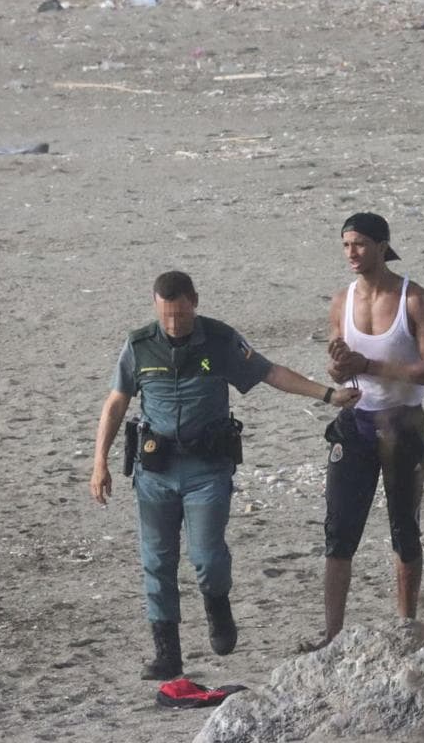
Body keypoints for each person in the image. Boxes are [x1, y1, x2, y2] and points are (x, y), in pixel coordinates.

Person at [90, 270, 361, 680]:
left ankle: (218, 606)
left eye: (181, 315)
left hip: (206, 470)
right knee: (157, 562)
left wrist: (327, 395)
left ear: (194, 302)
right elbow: (115, 404)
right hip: (156, 472)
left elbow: (270, 373)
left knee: (207, 557)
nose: (174, 325)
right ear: (155, 307)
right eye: (166, 316)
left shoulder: (219, 340)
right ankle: (167, 653)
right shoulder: (139, 346)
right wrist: (100, 463)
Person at [307, 213, 424, 649]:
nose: (352, 253)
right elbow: (338, 361)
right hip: (356, 422)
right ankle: (332, 633)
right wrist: (339, 366)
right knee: (339, 528)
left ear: (383, 247)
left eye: (361, 244)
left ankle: (406, 625)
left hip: (403, 423)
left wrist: (369, 366)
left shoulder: (415, 299)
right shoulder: (341, 300)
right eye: (346, 244)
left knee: (404, 526)